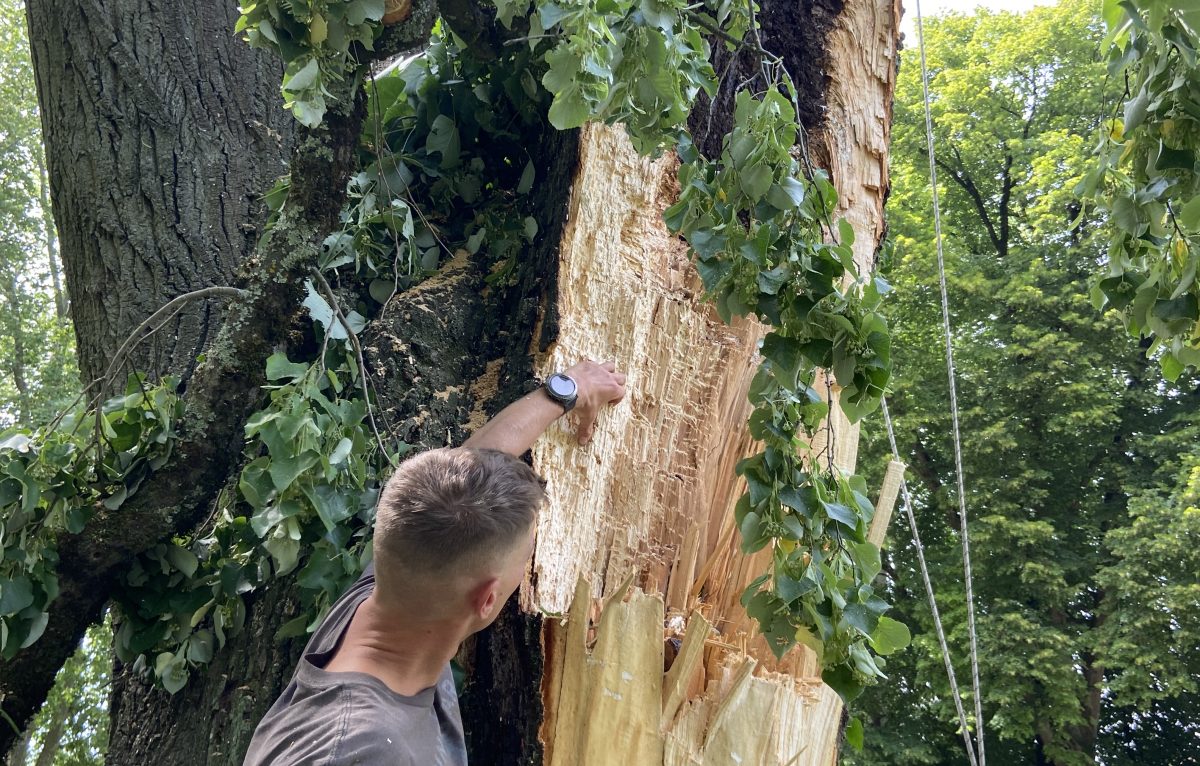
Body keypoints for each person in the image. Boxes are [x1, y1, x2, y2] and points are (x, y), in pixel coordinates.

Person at [243, 360, 627, 765]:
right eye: (525, 559)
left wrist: (567, 390)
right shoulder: (363, 751)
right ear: (487, 598)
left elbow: (475, 464)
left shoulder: (395, 584)